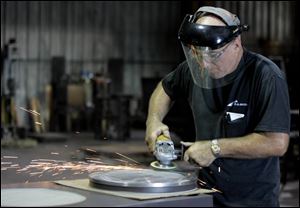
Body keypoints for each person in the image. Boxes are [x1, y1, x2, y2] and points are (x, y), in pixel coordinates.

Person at [145, 6, 290, 207]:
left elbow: (276, 143)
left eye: (214, 55)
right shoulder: (195, 67)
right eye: (197, 54)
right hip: (205, 194)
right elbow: (165, 88)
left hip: (251, 200)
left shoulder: (265, 75)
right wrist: (153, 120)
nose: (203, 64)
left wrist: (214, 148)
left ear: (236, 44)